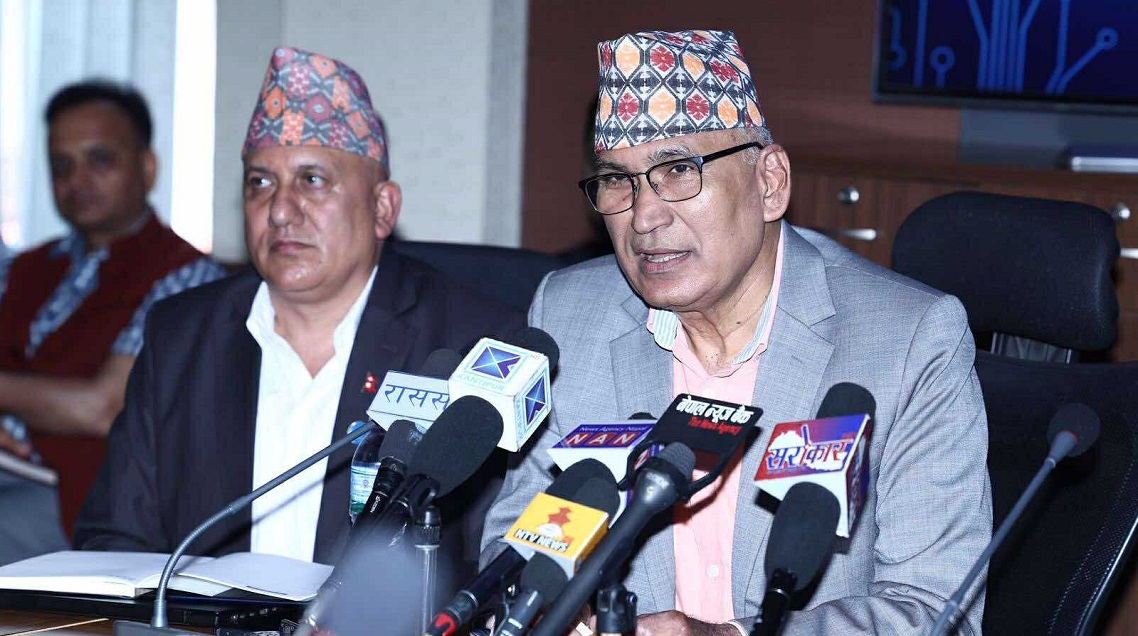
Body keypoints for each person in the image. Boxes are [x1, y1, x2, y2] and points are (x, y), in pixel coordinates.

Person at [482, 29, 992, 635]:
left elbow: (936, 610)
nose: (644, 217)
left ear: (769, 182)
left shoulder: (908, 340)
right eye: (618, 180)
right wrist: (562, 613)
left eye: (678, 170)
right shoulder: (569, 315)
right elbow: (518, 544)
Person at [73, 48, 524, 584]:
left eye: (312, 180)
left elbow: (497, 557)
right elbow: (113, 540)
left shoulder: (475, 343)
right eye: (260, 183)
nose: (281, 211)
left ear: (382, 208)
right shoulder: (180, 335)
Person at [0, 80, 227, 565]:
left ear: (147, 167)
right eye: (61, 165)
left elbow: (103, 407)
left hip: (77, 505)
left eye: (99, 159)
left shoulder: (186, 277)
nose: (77, 180)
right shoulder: (25, 268)